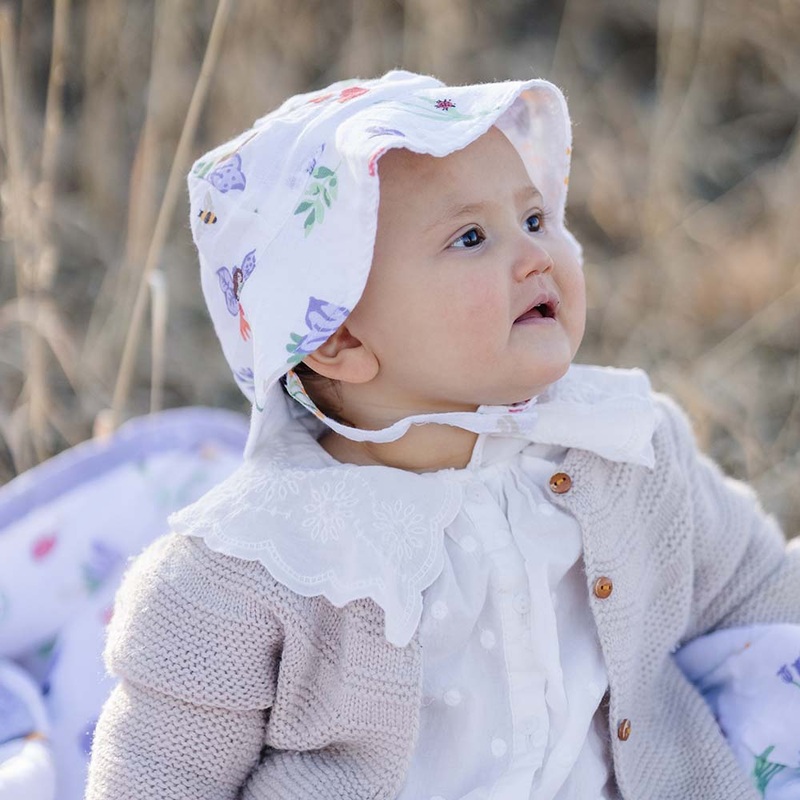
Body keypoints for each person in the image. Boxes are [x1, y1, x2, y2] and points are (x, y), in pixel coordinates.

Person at [84, 70, 800, 799]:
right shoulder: (253, 568)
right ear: (336, 339)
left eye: (532, 219)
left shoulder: (620, 447)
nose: (535, 255)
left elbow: (757, 591)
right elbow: (160, 774)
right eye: (470, 237)